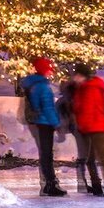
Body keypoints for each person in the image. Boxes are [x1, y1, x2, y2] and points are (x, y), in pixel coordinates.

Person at [16, 56, 67, 197]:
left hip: (38, 122)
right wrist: (57, 124)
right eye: (48, 69)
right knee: (46, 154)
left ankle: (47, 184)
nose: (50, 72)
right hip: (44, 123)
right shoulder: (42, 87)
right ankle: (49, 185)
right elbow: (48, 108)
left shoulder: (32, 84)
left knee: (45, 154)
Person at [73, 62, 104, 196]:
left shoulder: (91, 88)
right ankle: (97, 186)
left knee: (102, 158)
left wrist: (82, 125)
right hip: (90, 127)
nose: (75, 77)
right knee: (91, 159)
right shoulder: (83, 87)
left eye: (77, 75)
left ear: (82, 75)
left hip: (97, 127)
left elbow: (87, 110)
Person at [58, 67, 92, 192]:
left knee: (84, 155)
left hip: (77, 126)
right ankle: (82, 183)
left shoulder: (68, 93)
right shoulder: (74, 92)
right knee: (84, 155)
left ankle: (82, 182)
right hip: (79, 126)